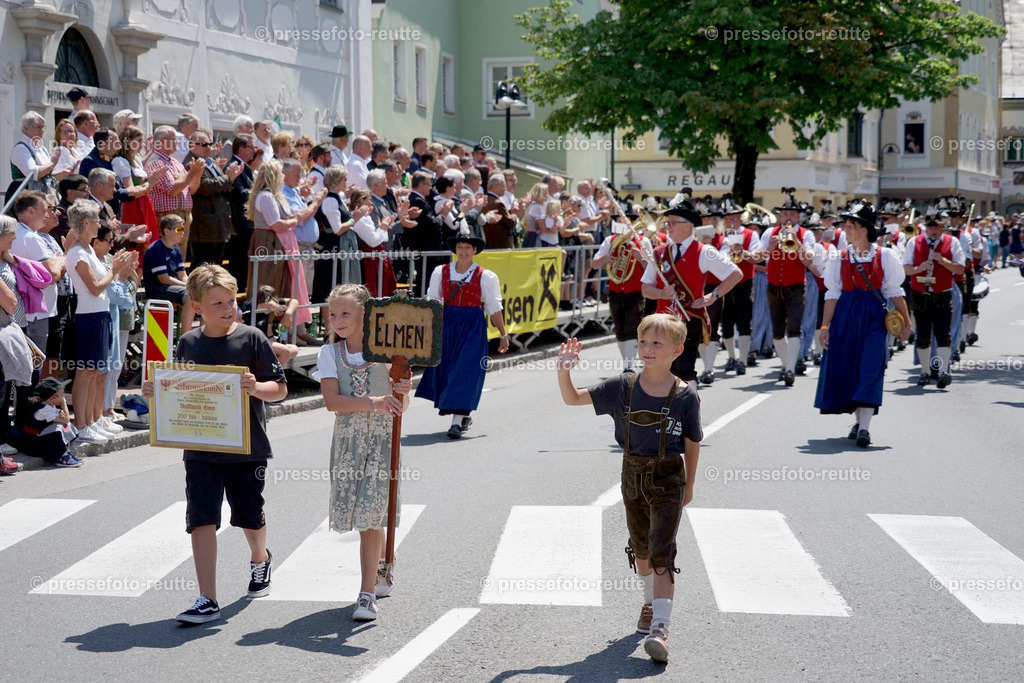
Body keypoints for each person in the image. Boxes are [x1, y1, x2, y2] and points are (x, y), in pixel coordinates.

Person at [142, 264, 288, 624]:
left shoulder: (252, 337)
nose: (228, 309)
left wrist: (256, 388)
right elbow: (178, 392)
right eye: (218, 303)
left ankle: (260, 558)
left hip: (246, 447)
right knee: (201, 518)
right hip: (201, 447)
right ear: (197, 306)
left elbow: (280, 388)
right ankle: (207, 597)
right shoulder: (188, 342)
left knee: (249, 514)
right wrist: (155, 393)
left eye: (231, 301)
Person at [555, 315, 703, 663]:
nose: (648, 349)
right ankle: (650, 604)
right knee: (640, 550)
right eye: (644, 342)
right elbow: (573, 399)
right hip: (632, 474)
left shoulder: (686, 395)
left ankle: (661, 631)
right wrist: (564, 370)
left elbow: (693, 441)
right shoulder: (623, 386)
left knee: (662, 551)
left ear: (677, 350)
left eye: (658, 344)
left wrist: (690, 485)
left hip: (669, 478)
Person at [316, 284, 412, 621]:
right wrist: (372, 402)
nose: (338, 320)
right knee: (361, 516)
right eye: (333, 314)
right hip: (349, 442)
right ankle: (384, 560)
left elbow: (401, 405)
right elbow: (333, 402)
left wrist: (403, 389)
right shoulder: (330, 354)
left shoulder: (387, 352)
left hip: (382, 440)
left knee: (372, 517)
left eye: (345, 313)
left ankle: (366, 593)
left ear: (364, 314)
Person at [814, 202, 911, 447]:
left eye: (851, 226)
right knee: (850, 367)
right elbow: (832, 294)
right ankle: (859, 421)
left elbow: (895, 291)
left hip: (874, 316)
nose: (846, 230)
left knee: (870, 366)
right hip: (845, 315)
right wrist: (825, 327)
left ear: (865, 229)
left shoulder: (885, 255)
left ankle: (865, 429)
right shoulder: (838, 256)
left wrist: (906, 323)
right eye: (845, 225)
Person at [416, 229, 509, 439]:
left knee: (464, 371)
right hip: (447, 325)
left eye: (468, 247)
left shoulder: (486, 275)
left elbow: (494, 307)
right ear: (455, 250)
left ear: (475, 250)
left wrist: (503, 334)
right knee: (448, 369)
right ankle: (463, 414)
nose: (464, 251)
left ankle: (457, 421)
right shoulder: (441, 271)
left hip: (472, 327)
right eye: (460, 247)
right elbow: (433, 302)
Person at [640, 202, 742, 382]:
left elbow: (735, 274)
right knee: (662, 372)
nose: (667, 227)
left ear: (687, 225)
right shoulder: (658, 253)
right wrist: (661, 293)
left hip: (689, 318)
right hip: (663, 321)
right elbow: (645, 288)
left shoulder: (705, 251)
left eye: (672, 223)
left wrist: (714, 295)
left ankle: (689, 408)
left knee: (685, 371)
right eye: (667, 223)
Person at [64, 200, 135, 444]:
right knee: (85, 373)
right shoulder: (77, 252)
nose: (99, 225)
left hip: (100, 315)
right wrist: (114, 271)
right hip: (88, 316)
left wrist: (113, 270)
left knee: (94, 372)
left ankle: (92, 421)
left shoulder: (87, 250)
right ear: (85, 223)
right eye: (95, 220)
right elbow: (94, 288)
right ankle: (81, 424)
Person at [753, 195, 816, 386]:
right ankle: (786, 364)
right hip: (774, 287)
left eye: (792, 214)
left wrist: (796, 243)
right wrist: (770, 249)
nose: (788, 217)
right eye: (785, 214)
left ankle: (789, 369)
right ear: (780, 217)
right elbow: (757, 256)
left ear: (798, 217)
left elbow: (808, 260)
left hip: (796, 286)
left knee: (794, 328)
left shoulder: (807, 235)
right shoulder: (769, 233)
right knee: (778, 331)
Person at [245, 158, 320, 317]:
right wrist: (295, 220)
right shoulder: (266, 195)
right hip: (267, 241)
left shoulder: (273, 195)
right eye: (280, 174)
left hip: (274, 241)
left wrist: (293, 217)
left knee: (277, 282)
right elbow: (276, 225)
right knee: (266, 281)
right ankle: (264, 323)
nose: (283, 177)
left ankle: (275, 324)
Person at [902, 214, 965, 388]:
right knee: (922, 335)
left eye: (936, 227)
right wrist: (918, 269)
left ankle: (944, 371)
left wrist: (943, 261)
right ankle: (924, 371)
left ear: (942, 227)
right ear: (925, 228)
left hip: (942, 294)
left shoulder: (952, 242)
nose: (933, 231)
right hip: (920, 293)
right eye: (930, 227)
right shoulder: (914, 242)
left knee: (943, 333)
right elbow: (905, 268)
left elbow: (960, 268)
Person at [591, 220, 651, 370]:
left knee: (632, 327)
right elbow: (594, 264)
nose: (623, 225)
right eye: (620, 222)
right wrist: (605, 259)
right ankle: (627, 363)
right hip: (615, 291)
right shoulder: (610, 241)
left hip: (635, 291)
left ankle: (628, 366)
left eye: (626, 222)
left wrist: (641, 258)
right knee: (619, 330)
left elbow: (653, 268)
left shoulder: (643, 241)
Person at [185, 128, 243, 267]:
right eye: (204, 144)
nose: (208, 147)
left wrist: (229, 177)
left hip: (218, 225)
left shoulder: (209, 162)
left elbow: (221, 184)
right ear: (192, 145)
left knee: (215, 266)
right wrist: (228, 177)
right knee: (202, 265)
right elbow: (205, 186)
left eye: (210, 144)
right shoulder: (192, 163)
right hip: (204, 226)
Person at [145, 126, 204, 258]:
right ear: (162, 140)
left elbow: (192, 189)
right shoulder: (156, 163)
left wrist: (197, 174)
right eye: (174, 139)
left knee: (179, 258)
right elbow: (172, 189)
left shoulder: (176, 162)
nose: (177, 142)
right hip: (168, 218)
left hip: (182, 217)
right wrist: (192, 174)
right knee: (168, 257)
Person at [0, 216, 28, 472]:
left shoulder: (4, 258)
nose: (14, 238)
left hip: (6, 331)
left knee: (3, 395)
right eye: (10, 233)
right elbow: (10, 303)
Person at [719, 209, 760, 375]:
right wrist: (728, 251)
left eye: (735, 218)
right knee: (726, 321)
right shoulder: (722, 235)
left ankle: (742, 360)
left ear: (740, 219)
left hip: (744, 281)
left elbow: (756, 256)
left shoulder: (751, 234)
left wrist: (742, 251)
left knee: (744, 320)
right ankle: (731, 357)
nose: (732, 222)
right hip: (726, 281)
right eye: (729, 219)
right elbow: (717, 256)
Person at [144, 215, 196, 332]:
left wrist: (194, 285)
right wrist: (188, 287)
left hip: (172, 288)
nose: (182, 233)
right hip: (157, 290)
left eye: (183, 229)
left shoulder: (176, 249)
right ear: (166, 231)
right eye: (179, 230)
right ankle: (186, 336)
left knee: (202, 292)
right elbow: (164, 279)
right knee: (190, 295)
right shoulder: (156, 249)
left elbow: (182, 275)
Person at [19, 377, 81, 468]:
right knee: (60, 427)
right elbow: (66, 419)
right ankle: (60, 457)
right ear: (53, 398)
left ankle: (65, 452)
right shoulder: (44, 409)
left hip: (42, 439)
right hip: (33, 444)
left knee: (67, 426)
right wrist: (63, 404)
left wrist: (60, 411)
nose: (63, 397)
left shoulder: (50, 405)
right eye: (62, 395)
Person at [113, 125, 158, 244]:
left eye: (142, 140)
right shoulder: (120, 161)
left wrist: (152, 180)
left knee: (149, 240)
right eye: (138, 141)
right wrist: (151, 181)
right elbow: (130, 190)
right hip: (131, 207)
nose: (142, 144)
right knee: (138, 243)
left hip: (143, 204)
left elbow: (144, 189)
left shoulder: (137, 159)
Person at [349, 188, 396, 297]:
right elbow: (373, 242)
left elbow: (381, 239)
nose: (371, 202)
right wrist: (383, 228)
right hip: (370, 262)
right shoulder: (361, 220)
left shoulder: (364, 218)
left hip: (375, 259)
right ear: (361, 200)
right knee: (375, 292)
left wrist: (383, 228)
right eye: (369, 199)